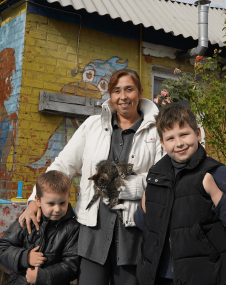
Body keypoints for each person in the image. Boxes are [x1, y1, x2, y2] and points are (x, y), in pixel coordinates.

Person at [19, 68, 164, 285]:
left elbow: (161, 180)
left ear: (140, 92)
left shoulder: (156, 130)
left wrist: (122, 186)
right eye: (116, 91)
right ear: (110, 96)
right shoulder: (93, 126)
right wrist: (33, 200)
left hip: (133, 234)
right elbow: (62, 166)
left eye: (129, 89)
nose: (123, 96)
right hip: (92, 231)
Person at [135, 103, 226, 285]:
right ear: (162, 143)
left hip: (205, 275)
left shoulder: (218, 173)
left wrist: (215, 194)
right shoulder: (157, 175)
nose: (179, 143)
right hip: (157, 276)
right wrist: (144, 207)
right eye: (170, 138)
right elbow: (146, 226)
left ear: (197, 133)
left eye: (184, 134)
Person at [0, 171, 80, 285]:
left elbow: (72, 265)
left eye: (62, 203)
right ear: (38, 200)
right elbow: (1, 249)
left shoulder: (72, 228)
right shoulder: (27, 219)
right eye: (51, 203)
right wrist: (25, 257)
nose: (57, 209)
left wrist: (42, 276)